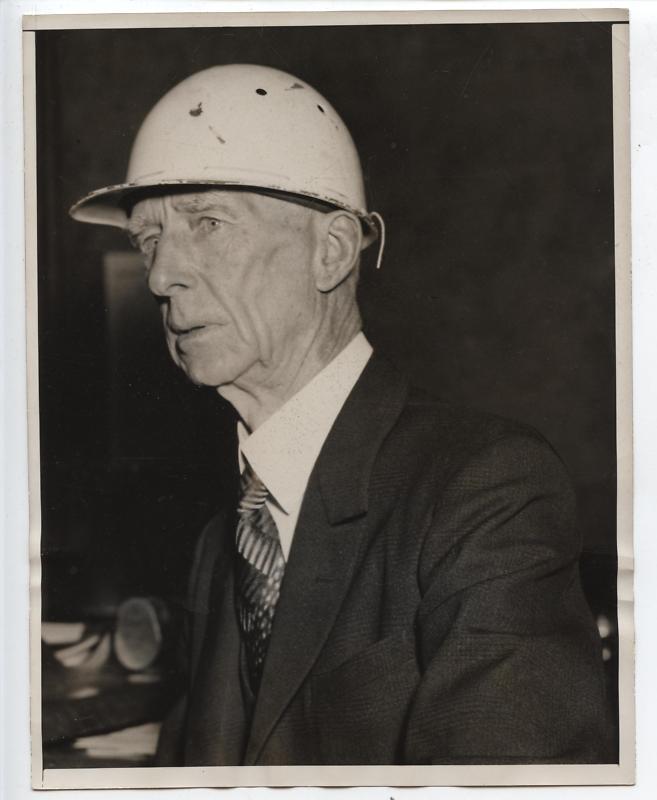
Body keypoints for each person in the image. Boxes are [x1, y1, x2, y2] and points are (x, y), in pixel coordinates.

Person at [70, 64, 612, 765]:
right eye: (148, 239)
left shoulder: (485, 492)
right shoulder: (222, 541)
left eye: (206, 222)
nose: (159, 275)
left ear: (328, 252)